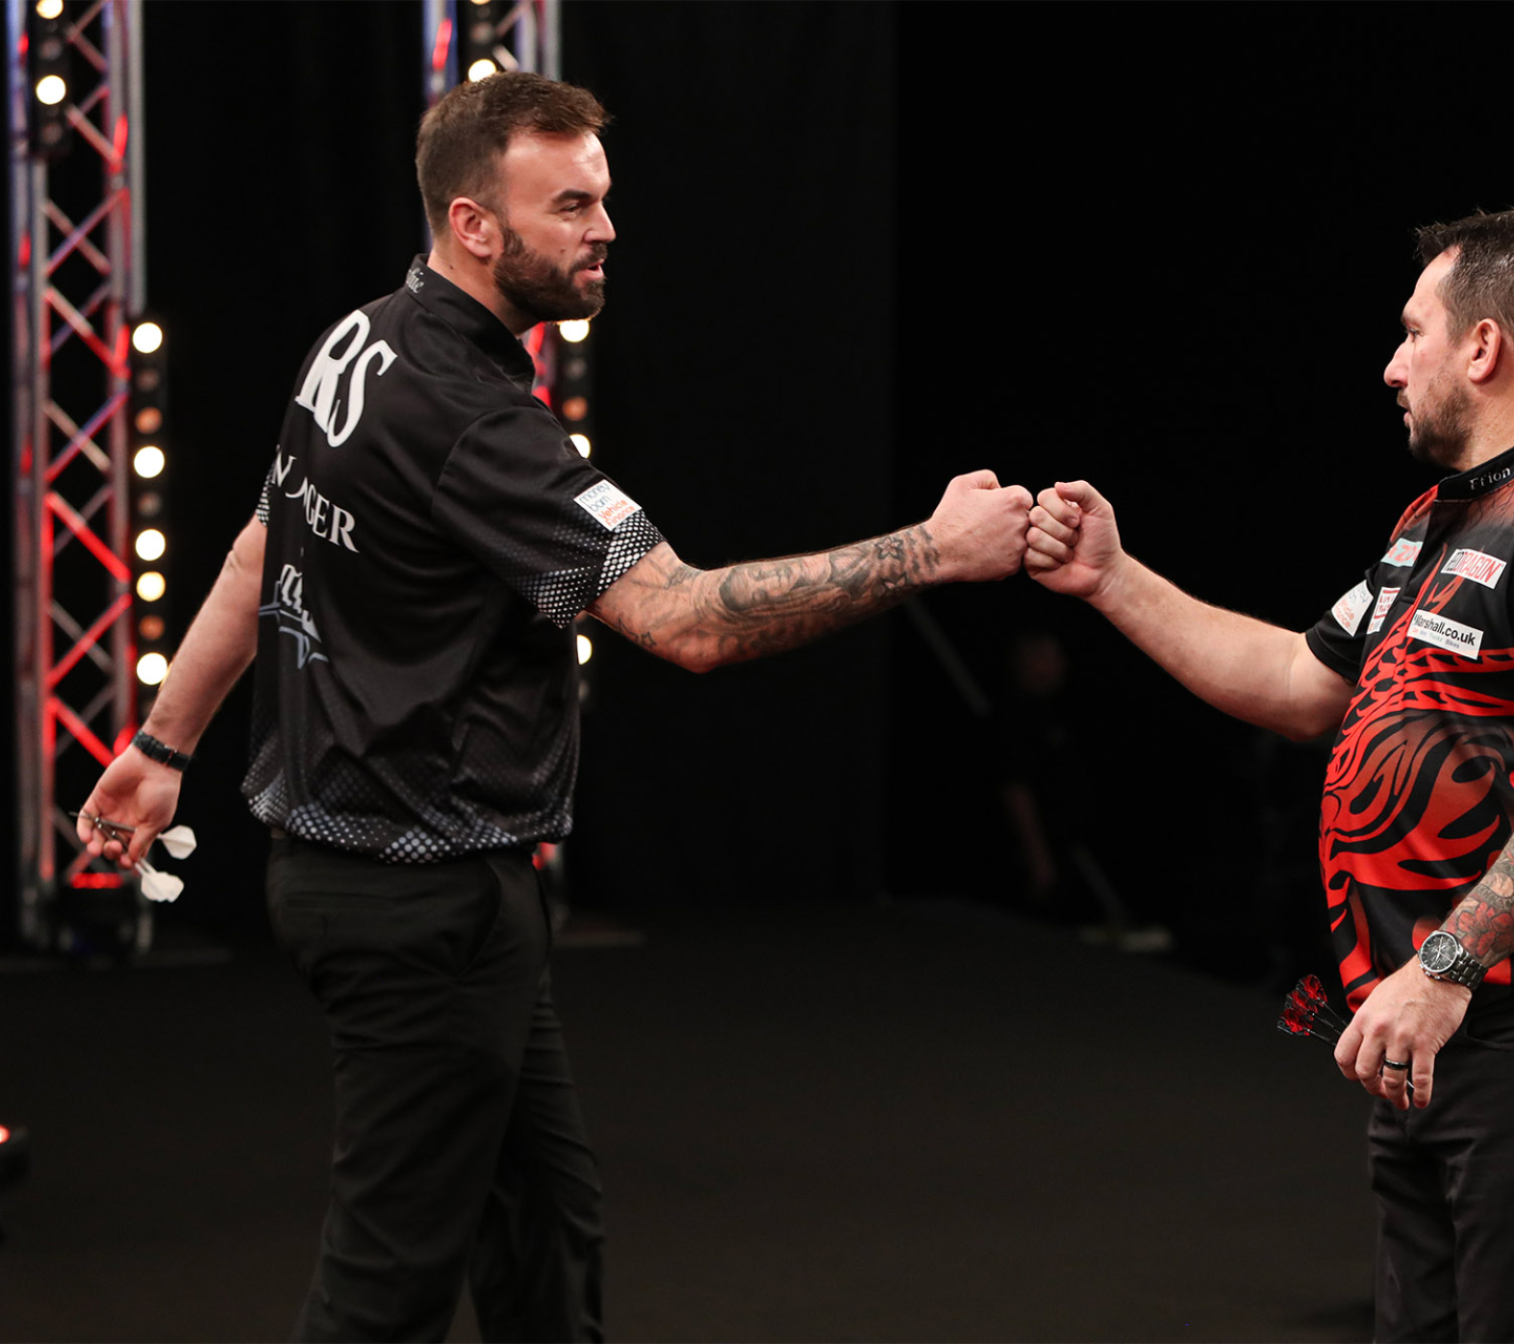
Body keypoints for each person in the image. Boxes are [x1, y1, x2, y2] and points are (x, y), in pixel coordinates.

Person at [77, 72, 1031, 1341]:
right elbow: (687, 620)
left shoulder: (360, 339)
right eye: (571, 206)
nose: (606, 230)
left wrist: (161, 744)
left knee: (544, 1231)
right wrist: (932, 551)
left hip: (407, 882)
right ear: (476, 226)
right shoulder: (474, 422)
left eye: (603, 198)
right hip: (414, 903)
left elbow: (267, 543)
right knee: (386, 1286)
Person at [1023, 209, 1514, 1342]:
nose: (1392, 366)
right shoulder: (1437, 520)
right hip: (1437, 1025)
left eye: (1412, 332)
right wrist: (1112, 579)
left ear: (1483, 347)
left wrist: (1446, 962)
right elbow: (1301, 681)